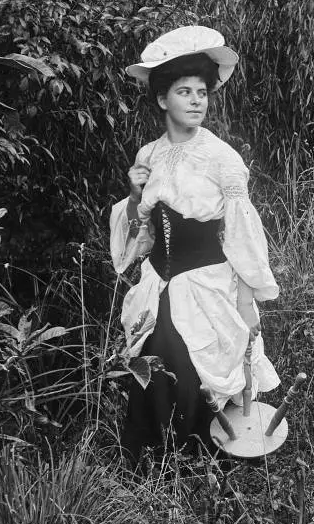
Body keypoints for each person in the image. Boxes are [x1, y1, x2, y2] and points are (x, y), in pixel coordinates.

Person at [110, 26, 280, 469]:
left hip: (206, 284)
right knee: (152, 361)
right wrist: (132, 196)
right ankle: (150, 463)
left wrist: (247, 299)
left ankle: (196, 464)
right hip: (158, 283)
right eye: (184, 92)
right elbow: (140, 238)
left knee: (194, 367)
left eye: (202, 92)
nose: (196, 101)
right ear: (163, 99)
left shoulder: (222, 159)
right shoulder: (148, 154)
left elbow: (241, 234)